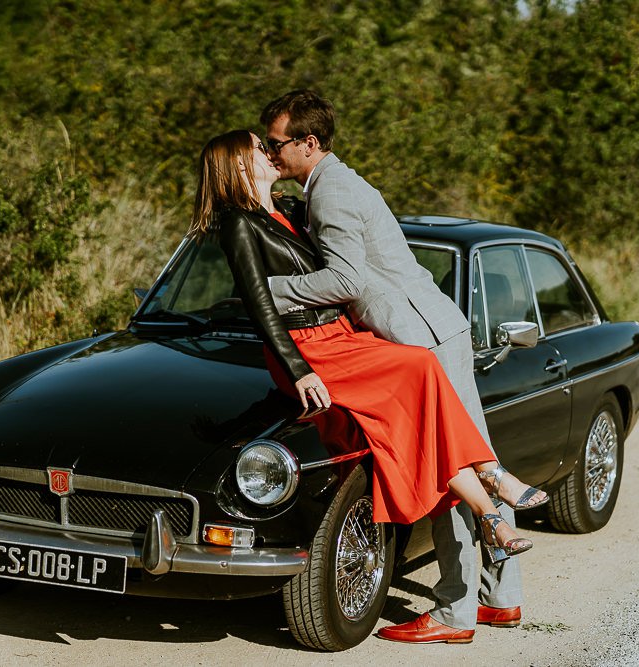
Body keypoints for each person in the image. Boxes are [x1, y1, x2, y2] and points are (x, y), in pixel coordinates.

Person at [190, 130, 542, 638]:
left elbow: (340, 274)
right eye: (257, 148)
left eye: (271, 144)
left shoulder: (292, 206)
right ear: (237, 167)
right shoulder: (238, 225)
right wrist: (298, 369)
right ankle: (491, 491)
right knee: (420, 386)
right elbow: (261, 306)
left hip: (344, 336)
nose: (268, 153)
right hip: (313, 351)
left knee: (421, 385)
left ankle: (489, 508)